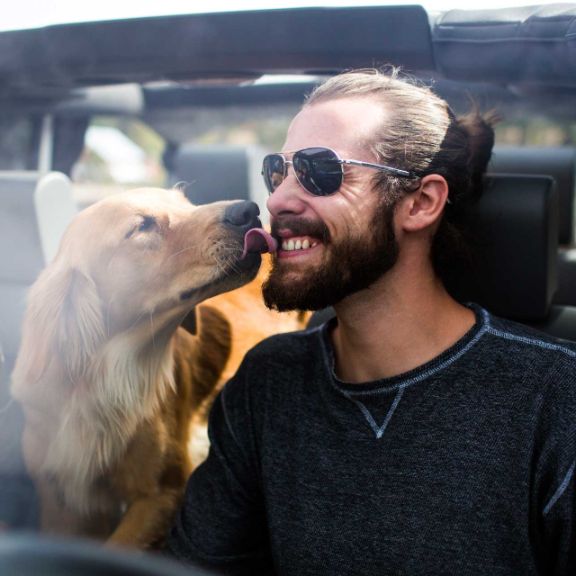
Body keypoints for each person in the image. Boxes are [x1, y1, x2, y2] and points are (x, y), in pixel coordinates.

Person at [166, 69, 576, 575]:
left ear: (421, 203)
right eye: (280, 171)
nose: (276, 200)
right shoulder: (267, 382)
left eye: (321, 171)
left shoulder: (555, 395)